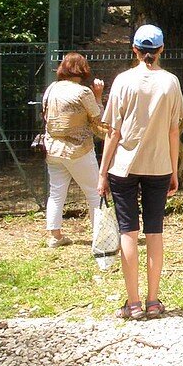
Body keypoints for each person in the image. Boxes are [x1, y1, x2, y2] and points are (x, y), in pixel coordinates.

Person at [98, 23, 183, 321]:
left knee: (128, 232)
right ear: (162, 50)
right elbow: (175, 130)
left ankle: (132, 303)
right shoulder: (171, 82)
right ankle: (152, 301)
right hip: (160, 166)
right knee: (155, 231)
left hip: (123, 167)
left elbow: (113, 132)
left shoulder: (122, 81)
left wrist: (102, 172)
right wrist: (174, 170)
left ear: (134, 50)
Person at [42, 52, 106, 248]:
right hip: (78, 149)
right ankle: (101, 238)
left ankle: (55, 236)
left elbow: (45, 115)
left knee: (56, 192)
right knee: (95, 192)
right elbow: (98, 117)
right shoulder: (83, 92)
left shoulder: (51, 88)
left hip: (52, 148)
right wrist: (98, 96)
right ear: (83, 69)